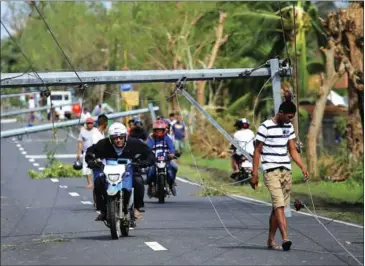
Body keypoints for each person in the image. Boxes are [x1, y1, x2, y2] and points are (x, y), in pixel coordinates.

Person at [251, 100, 310, 252]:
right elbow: (257, 151)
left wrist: (302, 167)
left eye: (292, 117)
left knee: (278, 207)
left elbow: (292, 149)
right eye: (289, 117)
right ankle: (285, 238)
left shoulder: (288, 127)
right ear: (281, 113)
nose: (290, 120)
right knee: (279, 205)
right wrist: (254, 173)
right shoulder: (265, 126)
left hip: (286, 171)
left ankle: (271, 239)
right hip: (271, 171)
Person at [85, 122, 155, 222]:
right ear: (110, 138)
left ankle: (136, 209)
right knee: (98, 182)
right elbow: (90, 151)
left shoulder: (134, 143)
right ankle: (103, 210)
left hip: (129, 171)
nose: (118, 140)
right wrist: (91, 160)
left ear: (125, 137)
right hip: (109, 173)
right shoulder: (104, 144)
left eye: (121, 137)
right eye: (115, 138)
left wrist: (145, 162)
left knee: (139, 181)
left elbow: (150, 154)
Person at [146, 120, 178, 197]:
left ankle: (171, 183)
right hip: (154, 160)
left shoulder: (167, 138)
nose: (159, 132)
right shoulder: (151, 138)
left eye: (161, 130)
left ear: (164, 130)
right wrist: (148, 155)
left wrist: (172, 154)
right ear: (154, 130)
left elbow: (171, 148)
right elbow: (148, 148)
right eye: (157, 130)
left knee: (174, 168)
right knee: (149, 171)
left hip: (166, 160)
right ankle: (150, 186)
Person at [91, 114, 109, 209]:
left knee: (104, 182)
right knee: (97, 182)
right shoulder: (95, 134)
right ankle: (96, 203)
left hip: (104, 162)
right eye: (107, 123)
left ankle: (103, 201)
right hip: (98, 162)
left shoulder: (102, 134)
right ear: (105, 123)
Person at [77, 117, 98, 189]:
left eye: (91, 123)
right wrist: (78, 154)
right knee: (86, 168)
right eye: (88, 123)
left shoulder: (97, 131)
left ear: (93, 124)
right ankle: (90, 183)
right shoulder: (82, 132)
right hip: (86, 152)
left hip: (96, 152)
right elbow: (80, 143)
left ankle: (97, 182)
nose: (89, 125)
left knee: (97, 167)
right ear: (86, 124)